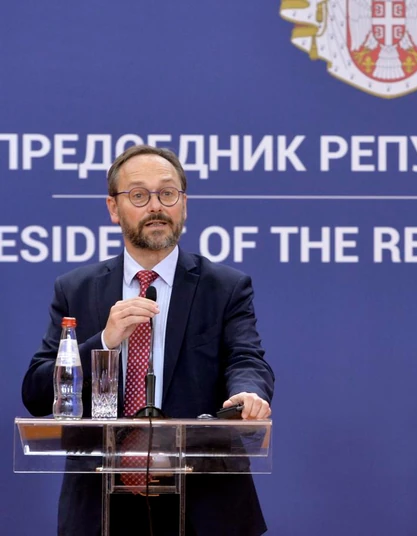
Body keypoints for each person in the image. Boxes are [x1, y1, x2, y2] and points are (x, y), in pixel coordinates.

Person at [22, 144, 275, 536]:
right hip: (101, 507)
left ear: (184, 204)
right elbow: (37, 393)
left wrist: (247, 393)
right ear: (113, 208)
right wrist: (104, 342)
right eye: (139, 195)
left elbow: (246, 359)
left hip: (205, 503)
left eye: (167, 193)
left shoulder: (225, 287)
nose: (156, 206)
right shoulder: (76, 289)